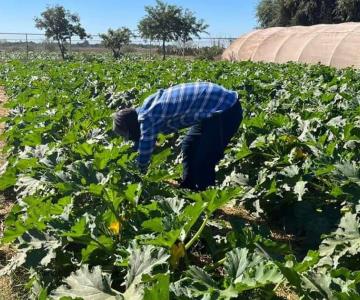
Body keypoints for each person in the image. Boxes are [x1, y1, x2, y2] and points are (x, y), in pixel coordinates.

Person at [112, 82, 243, 191]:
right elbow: (141, 143)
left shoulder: (148, 118)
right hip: (211, 110)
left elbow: (144, 153)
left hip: (226, 109)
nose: (130, 139)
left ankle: (206, 199)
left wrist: (137, 176)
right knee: (188, 146)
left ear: (132, 127)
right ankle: (187, 189)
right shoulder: (146, 108)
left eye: (129, 136)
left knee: (204, 157)